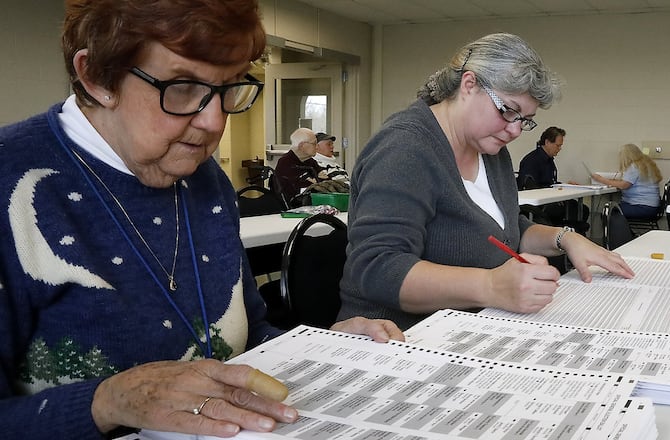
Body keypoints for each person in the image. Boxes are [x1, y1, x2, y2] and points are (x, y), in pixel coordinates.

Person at [0, 1, 403, 439]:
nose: (214, 122)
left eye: (231, 86)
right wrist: (108, 400)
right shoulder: (12, 180)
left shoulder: (201, 176)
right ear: (96, 76)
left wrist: (322, 348)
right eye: (182, 87)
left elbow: (244, 338)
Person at [337, 33, 634, 330]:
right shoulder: (404, 149)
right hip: (398, 335)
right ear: (469, 85)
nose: (516, 130)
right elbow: (378, 269)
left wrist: (566, 238)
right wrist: (490, 286)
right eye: (508, 111)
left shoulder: (491, 151)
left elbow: (506, 228)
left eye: (525, 119)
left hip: (472, 325)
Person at [516, 126, 589, 228]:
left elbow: (550, 183)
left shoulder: (549, 160)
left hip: (549, 199)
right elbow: (531, 188)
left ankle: (571, 233)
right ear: (547, 142)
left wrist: (565, 185)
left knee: (582, 209)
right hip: (540, 204)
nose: (559, 149)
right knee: (573, 210)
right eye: (557, 145)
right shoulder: (532, 161)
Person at [591, 143, 663, 218]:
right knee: (612, 209)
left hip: (641, 206)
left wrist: (600, 179)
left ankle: (622, 230)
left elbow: (624, 185)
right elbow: (629, 182)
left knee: (607, 212)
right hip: (651, 206)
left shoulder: (634, 166)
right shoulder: (645, 164)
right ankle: (625, 230)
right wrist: (614, 182)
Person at [273, 128, 325, 205]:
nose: (317, 147)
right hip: (294, 207)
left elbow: (326, 182)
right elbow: (300, 190)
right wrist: (315, 182)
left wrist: (315, 182)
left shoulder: (310, 161)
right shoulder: (285, 163)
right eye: (314, 144)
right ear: (302, 146)